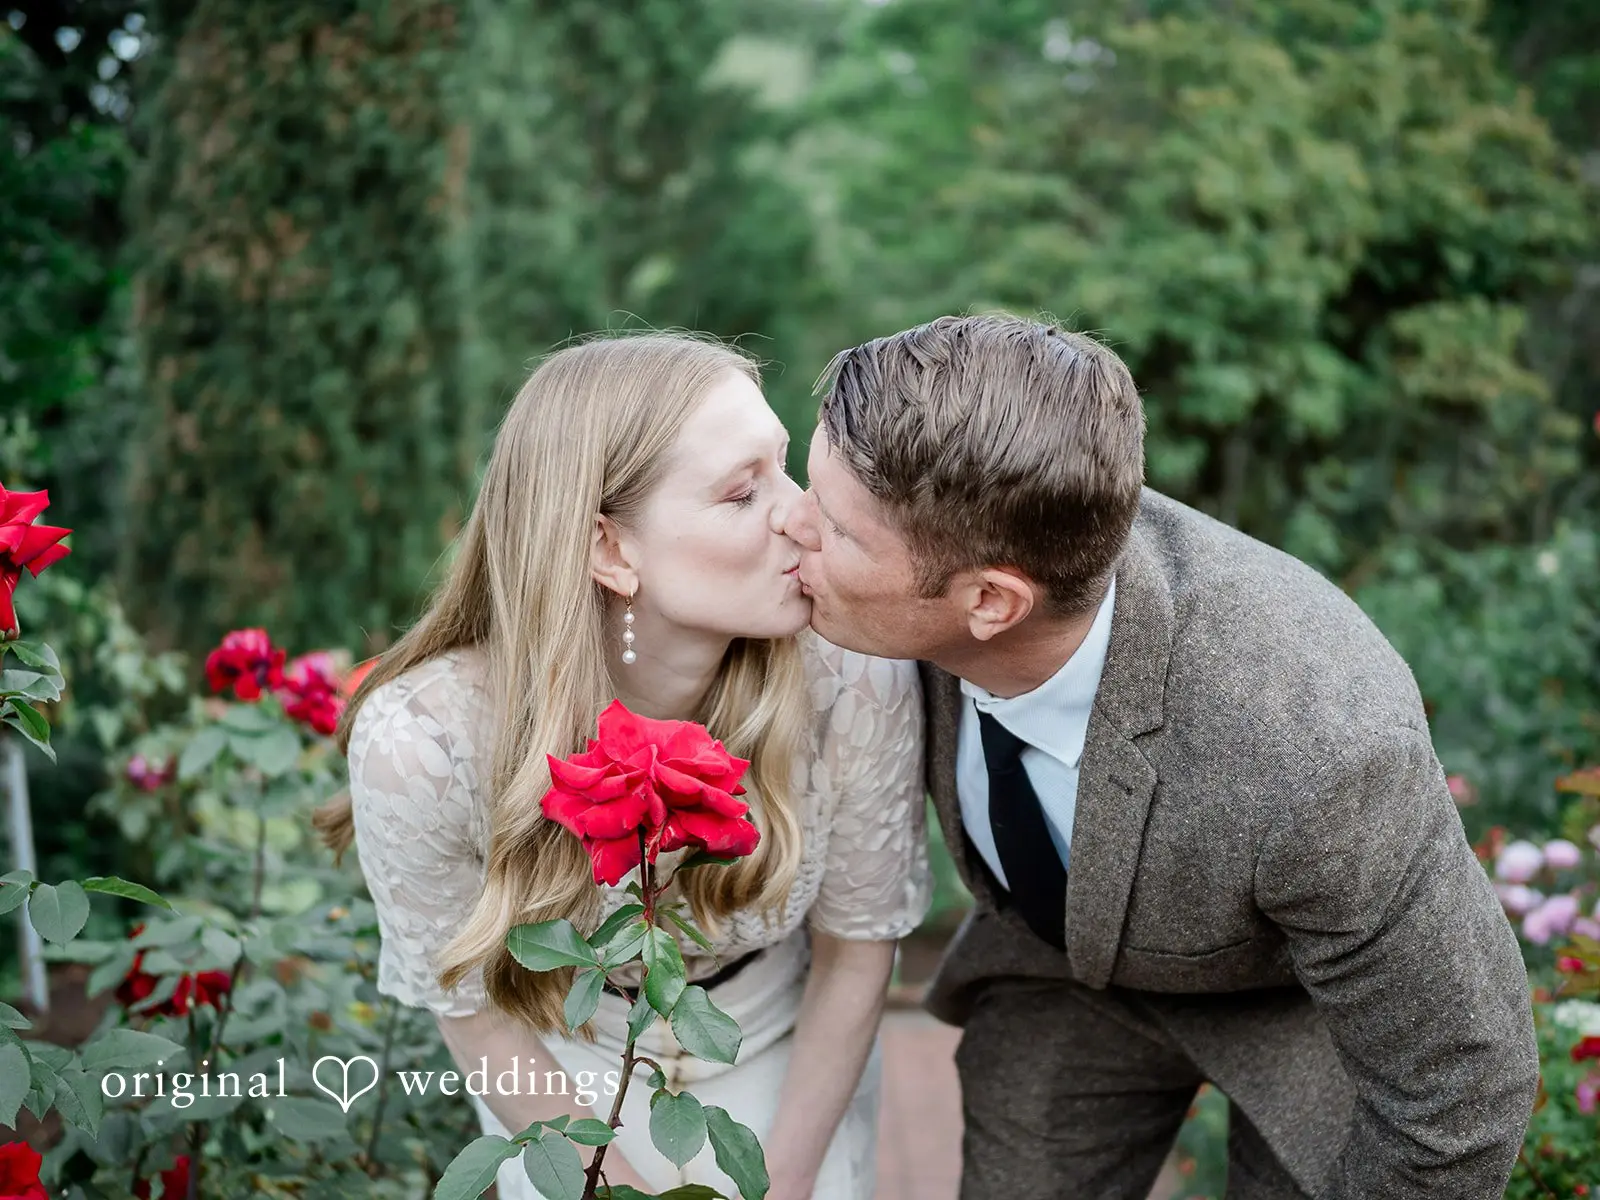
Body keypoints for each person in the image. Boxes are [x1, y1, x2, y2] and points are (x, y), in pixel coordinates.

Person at [779, 312, 1539, 1199]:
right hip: (1054, 972)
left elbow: (1465, 1091)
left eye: (833, 527)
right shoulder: (937, 557)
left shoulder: (1323, 753)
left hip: (1299, 1005)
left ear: (990, 602)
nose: (788, 526)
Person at [314, 332, 932, 1200]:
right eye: (742, 491)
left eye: (784, 470)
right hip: (563, 1079)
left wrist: (786, 1183)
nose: (801, 515)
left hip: (793, 1061)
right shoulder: (425, 742)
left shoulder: (853, 674)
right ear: (610, 549)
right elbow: (475, 1013)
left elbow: (858, 949)